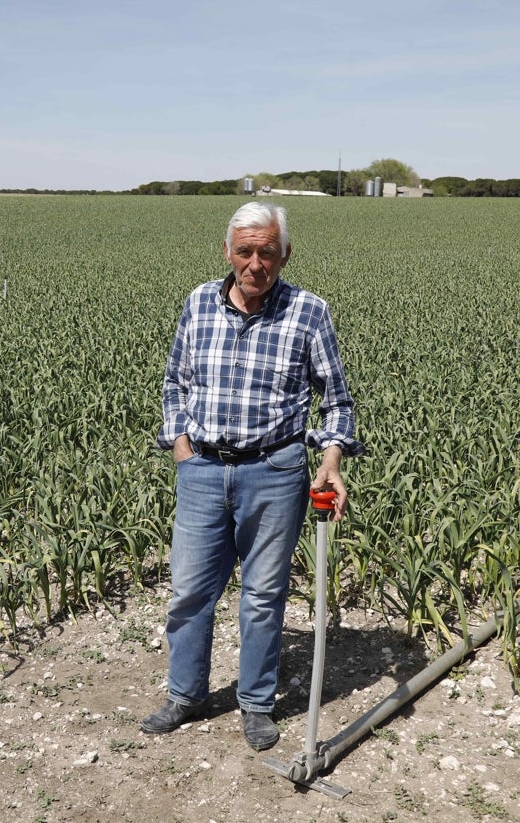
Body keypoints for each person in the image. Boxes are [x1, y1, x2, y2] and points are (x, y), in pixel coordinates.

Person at [143, 200, 363, 751]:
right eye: (245, 251)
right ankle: (185, 695)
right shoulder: (197, 302)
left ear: (285, 253)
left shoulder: (309, 312)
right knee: (191, 591)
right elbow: (175, 383)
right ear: (227, 252)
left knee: (264, 596)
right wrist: (181, 447)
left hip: (275, 470)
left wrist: (330, 461)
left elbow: (336, 401)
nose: (255, 263)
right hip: (202, 469)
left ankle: (256, 704)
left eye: (267, 252)